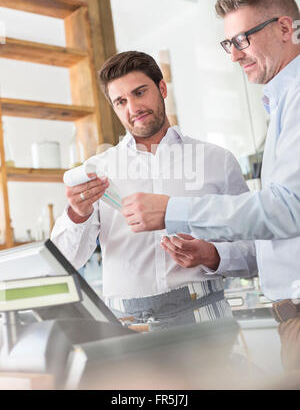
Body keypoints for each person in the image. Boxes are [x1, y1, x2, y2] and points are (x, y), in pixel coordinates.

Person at [122, 0, 300, 369]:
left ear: (285, 29)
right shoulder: (281, 103)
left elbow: (288, 209)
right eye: (228, 44)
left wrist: (172, 210)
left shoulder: (222, 153)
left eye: (243, 40)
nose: (234, 56)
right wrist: (213, 254)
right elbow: (268, 240)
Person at [51, 51, 257, 331]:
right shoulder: (98, 169)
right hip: (127, 328)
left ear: (161, 88)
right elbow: (64, 262)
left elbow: (256, 253)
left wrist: (211, 254)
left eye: (139, 92)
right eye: (121, 101)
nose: (133, 107)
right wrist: (77, 214)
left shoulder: (216, 161)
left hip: (205, 317)